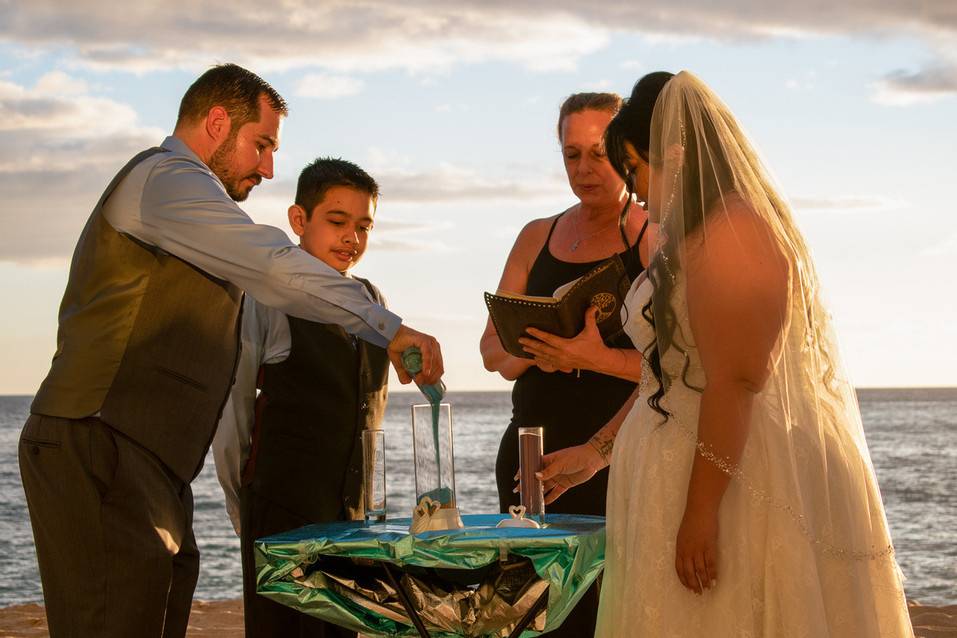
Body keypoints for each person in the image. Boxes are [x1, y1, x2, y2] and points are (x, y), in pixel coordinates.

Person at [18, 64, 442, 638]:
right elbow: (272, 265)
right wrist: (387, 327)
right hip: (99, 440)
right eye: (262, 144)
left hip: (152, 460)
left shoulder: (193, 206)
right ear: (218, 123)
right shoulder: (165, 179)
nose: (269, 168)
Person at [538, 71, 915, 636]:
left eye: (635, 168)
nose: (634, 188)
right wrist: (597, 452)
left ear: (677, 154)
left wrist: (700, 513)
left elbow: (734, 384)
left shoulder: (735, 237)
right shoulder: (692, 235)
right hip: (675, 474)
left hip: (729, 487)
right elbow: (669, 375)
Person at [479, 92, 651, 637]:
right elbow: (491, 352)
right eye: (571, 154)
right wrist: (542, 354)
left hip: (614, 456)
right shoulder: (537, 235)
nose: (584, 169)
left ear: (625, 153)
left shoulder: (649, 236)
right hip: (529, 453)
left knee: (606, 617)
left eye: (598, 153)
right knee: (530, 619)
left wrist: (590, 357)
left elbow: (676, 367)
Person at [213, 157, 388, 638]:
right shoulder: (266, 297)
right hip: (281, 517)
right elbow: (233, 408)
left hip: (353, 522)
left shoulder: (373, 300)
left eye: (363, 225)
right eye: (337, 222)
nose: (351, 237)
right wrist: (243, 505)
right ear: (298, 220)